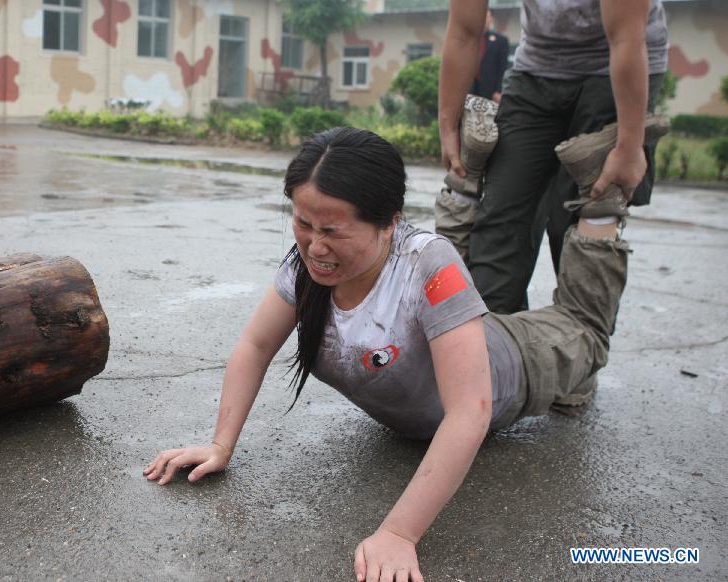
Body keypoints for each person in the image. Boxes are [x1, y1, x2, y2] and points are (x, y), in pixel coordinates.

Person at [144, 127, 633, 581]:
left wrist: (399, 533)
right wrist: (220, 444)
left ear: (390, 223)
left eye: (333, 231)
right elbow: (254, 346)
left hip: (520, 360)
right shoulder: (307, 266)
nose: (315, 246)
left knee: (586, 332)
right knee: (449, 284)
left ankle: (600, 205)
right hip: (451, 335)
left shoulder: (427, 263)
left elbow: (470, 411)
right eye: (302, 222)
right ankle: (465, 181)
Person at [439, 0, 669, 314]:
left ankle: (581, 345)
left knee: (582, 217)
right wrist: (448, 123)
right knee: (501, 215)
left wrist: (629, 146)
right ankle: (493, 341)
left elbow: (626, 38)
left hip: (616, 65)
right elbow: (465, 32)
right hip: (537, 69)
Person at [470, 10, 510, 103]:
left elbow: (503, 67)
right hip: (471, 88)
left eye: (486, 16)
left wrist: (499, 90)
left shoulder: (501, 40)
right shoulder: (470, 40)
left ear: (491, 19)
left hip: (490, 91)